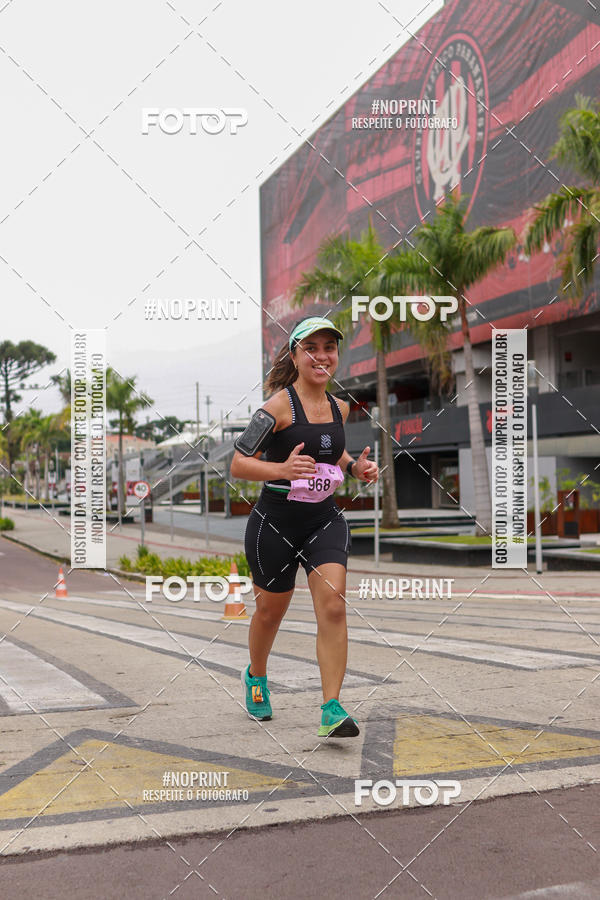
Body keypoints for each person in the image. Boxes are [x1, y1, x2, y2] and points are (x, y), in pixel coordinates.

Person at [230, 316, 379, 737]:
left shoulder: (340, 407)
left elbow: (333, 454)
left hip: (322, 519)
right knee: (269, 612)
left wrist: (356, 467)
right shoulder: (275, 408)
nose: (322, 355)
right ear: (295, 355)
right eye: (311, 347)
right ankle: (255, 676)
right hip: (274, 522)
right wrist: (282, 468)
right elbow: (238, 463)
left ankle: (331, 707)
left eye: (329, 347)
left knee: (333, 604)